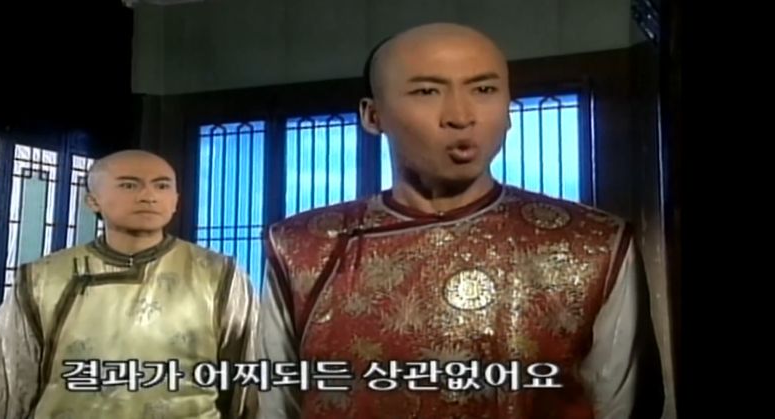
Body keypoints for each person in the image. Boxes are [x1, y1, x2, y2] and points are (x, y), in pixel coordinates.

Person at [258, 23, 652, 419]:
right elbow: (277, 404)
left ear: (509, 109)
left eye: (484, 89)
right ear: (373, 115)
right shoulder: (304, 246)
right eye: (427, 92)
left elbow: (616, 406)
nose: (461, 116)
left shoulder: (591, 244)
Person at [0, 150, 258, 419]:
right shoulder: (43, 278)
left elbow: (249, 376)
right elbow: (2, 378)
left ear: (176, 200)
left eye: (162, 186)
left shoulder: (218, 274)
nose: (148, 196)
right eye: (129, 185)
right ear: (93, 201)